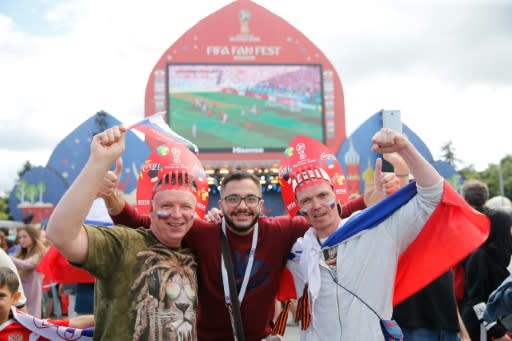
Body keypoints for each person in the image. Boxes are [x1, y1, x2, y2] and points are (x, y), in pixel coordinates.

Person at [101, 154, 399, 340]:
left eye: (249, 199)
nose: (241, 206)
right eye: (233, 199)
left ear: (260, 204)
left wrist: (367, 202)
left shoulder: (280, 230)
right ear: (222, 204)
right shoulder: (202, 231)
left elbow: (325, 215)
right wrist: (112, 197)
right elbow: (144, 224)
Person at [285, 128, 487, 340]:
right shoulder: (297, 253)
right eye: (307, 200)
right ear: (299, 209)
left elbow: (433, 195)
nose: (317, 205)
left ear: (336, 195)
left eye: (323, 195)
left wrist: (405, 148)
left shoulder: (375, 229)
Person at [46, 125, 199, 341]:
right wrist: (98, 164)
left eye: (185, 207)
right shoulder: (124, 243)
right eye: (167, 206)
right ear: (151, 210)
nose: (177, 214)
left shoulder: (198, 249)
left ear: (195, 212)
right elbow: (60, 234)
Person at [0, 266, 94, 340]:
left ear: (15, 298)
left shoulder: (29, 326)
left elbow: (72, 324)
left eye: (1, 296)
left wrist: (105, 319)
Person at [461, 209, 512, 341]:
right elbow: (476, 299)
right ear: (501, 229)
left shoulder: (504, 253)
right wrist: (497, 332)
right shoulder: (480, 256)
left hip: (502, 323)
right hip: (482, 327)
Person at [10, 225, 47, 317]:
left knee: (30, 320)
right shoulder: (21, 253)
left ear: (33, 236)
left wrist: (6, 257)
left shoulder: (40, 253)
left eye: (24, 236)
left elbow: (25, 265)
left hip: (32, 293)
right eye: (19, 237)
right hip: (20, 292)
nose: (21, 240)